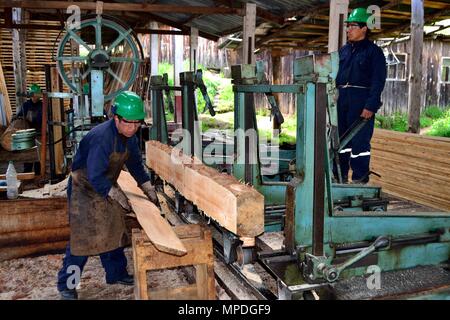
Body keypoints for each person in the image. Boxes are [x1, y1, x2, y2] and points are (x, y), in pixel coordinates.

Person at [56, 91, 160, 300]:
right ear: (116, 118)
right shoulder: (102, 138)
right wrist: (115, 194)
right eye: (128, 123)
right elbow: (94, 174)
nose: (133, 127)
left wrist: (147, 186)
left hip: (104, 186)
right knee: (82, 241)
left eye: (137, 123)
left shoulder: (128, 136)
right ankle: (67, 285)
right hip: (84, 188)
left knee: (113, 228)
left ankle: (116, 274)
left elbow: (135, 165)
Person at [334, 7, 387, 184]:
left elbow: (378, 81)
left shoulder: (374, 52)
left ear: (364, 28)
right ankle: (338, 178)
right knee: (340, 141)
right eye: (347, 26)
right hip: (341, 100)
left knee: (360, 143)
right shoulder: (343, 51)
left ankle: (359, 180)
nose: (348, 29)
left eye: (352, 25)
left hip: (361, 101)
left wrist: (370, 106)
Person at [16, 83, 43, 174]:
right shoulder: (26, 106)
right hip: (27, 134)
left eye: (36, 95)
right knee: (27, 155)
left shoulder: (42, 105)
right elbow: (18, 117)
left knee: (38, 156)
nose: (35, 97)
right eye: (33, 95)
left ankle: (38, 174)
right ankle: (26, 174)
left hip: (39, 133)